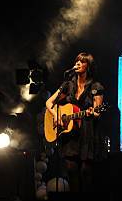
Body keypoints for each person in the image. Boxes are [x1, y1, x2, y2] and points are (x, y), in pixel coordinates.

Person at [45, 53, 106, 192]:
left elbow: (98, 112)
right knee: (71, 169)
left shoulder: (95, 87)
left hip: (87, 132)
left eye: (82, 62)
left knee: (85, 170)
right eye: (77, 61)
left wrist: (94, 112)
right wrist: (56, 115)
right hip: (71, 134)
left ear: (88, 66)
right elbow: (49, 102)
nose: (78, 64)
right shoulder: (68, 85)